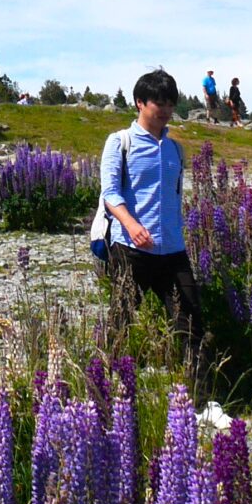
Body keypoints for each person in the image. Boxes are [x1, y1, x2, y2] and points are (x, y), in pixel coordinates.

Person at [100, 70, 205, 347]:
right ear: (140, 102)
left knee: (192, 328)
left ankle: (198, 390)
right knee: (121, 323)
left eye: (171, 103)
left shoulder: (176, 149)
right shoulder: (121, 142)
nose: (167, 110)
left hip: (173, 250)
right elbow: (110, 193)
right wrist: (131, 226)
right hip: (131, 249)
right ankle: (105, 385)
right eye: (160, 103)